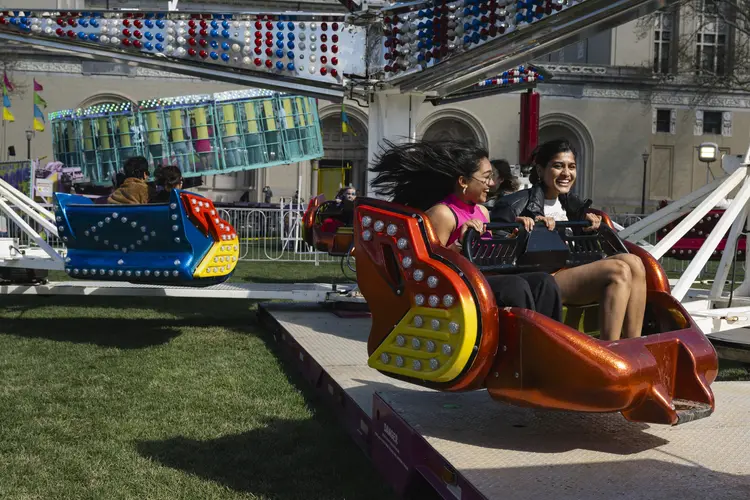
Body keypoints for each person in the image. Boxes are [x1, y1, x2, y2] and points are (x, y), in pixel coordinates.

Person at [370, 140, 562, 321]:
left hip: (482, 279)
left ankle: (554, 343)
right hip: (457, 288)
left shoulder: (483, 212)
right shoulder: (443, 214)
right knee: (514, 287)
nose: (492, 184)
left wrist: (516, 233)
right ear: (463, 181)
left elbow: (490, 256)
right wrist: (460, 243)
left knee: (544, 283)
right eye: (487, 178)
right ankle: (526, 346)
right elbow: (429, 268)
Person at [491, 139, 647, 340]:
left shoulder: (573, 205)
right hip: (543, 278)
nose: (566, 173)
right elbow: (498, 251)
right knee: (618, 270)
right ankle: (611, 348)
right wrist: (523, 230)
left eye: (571, 167)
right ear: (540, 170)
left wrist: (591, 228)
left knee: (634, 262)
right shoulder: (516, 204)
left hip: (572, 268)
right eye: (558, 166)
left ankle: (633, 343)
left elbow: (582, 248)